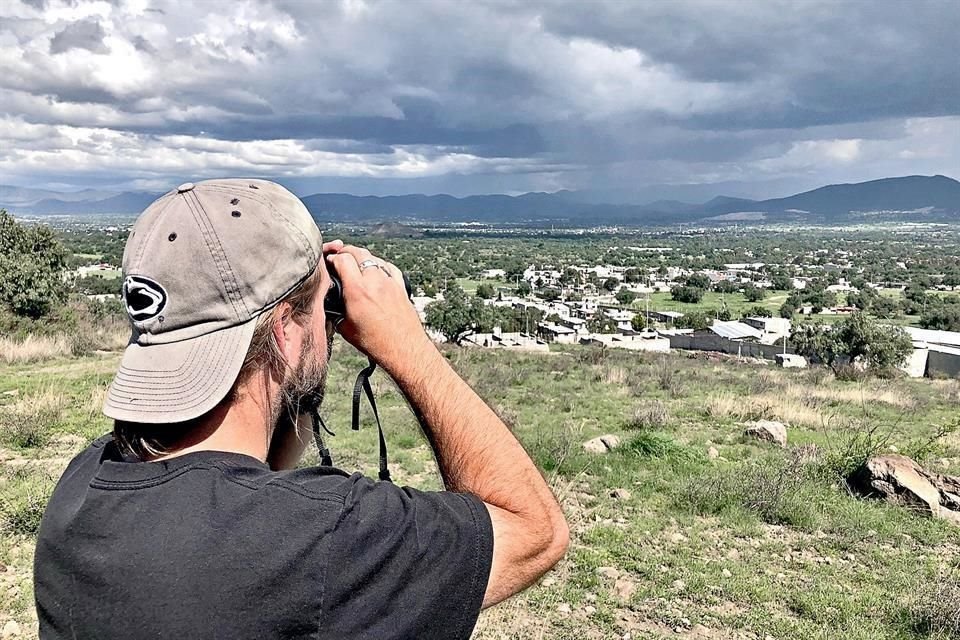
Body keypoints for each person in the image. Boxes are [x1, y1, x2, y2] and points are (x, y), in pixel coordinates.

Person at [33, 179, 568, 639]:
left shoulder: (84, 481)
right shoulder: (322, 535)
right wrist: (407, 345)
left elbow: (239, 477)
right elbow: (534, 533)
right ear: (286, 328)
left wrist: (301, 349)